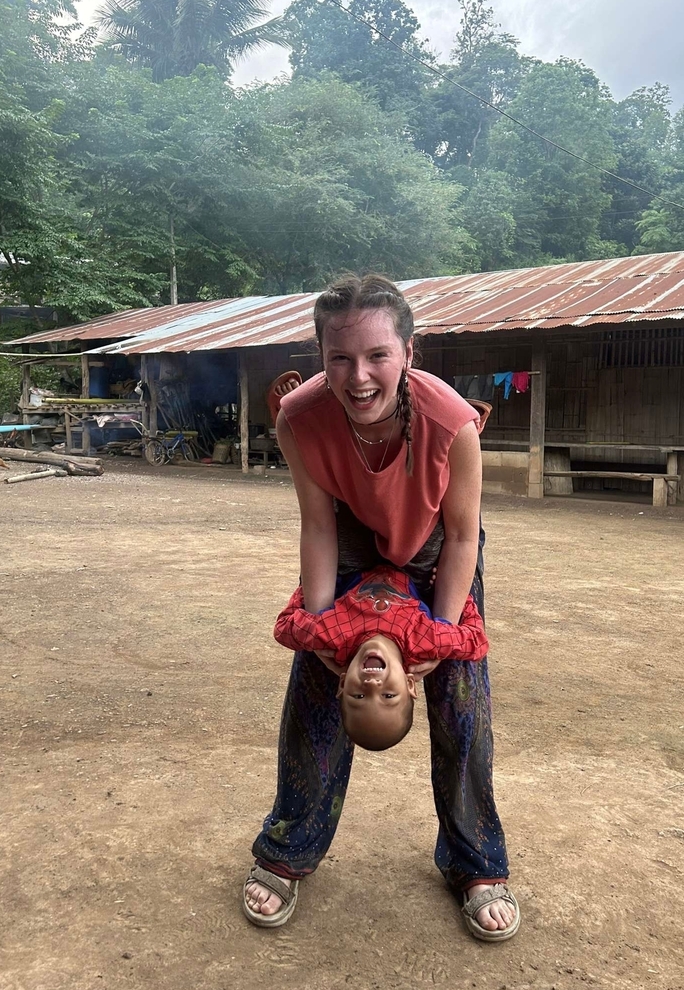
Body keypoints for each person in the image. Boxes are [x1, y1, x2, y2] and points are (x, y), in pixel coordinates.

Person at [243, 274, 519, 941]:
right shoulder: (298, 418)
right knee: (317, 679)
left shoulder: (453, 422)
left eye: (376, 356)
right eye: (339, 358)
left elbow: (460, 536)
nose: (358, 375)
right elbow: (317, 526)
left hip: (434, 544)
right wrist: (318, 633)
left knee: (461, 694)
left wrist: (436, 639)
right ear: (320, 357)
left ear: (408, 354)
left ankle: (477, 863)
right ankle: (289, 848)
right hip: (347, 535)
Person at [273, 565, 489, 751]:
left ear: (342, 683)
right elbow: (477, 641)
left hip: (353, 546)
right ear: (410, 684)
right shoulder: (426, 640)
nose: (372, 685)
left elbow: (283, 627)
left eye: (357, 696)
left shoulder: (330, 635)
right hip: (416, 558)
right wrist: (457, 591)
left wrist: (307, 590)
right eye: (388, 695)